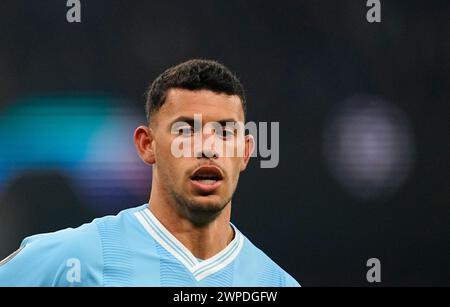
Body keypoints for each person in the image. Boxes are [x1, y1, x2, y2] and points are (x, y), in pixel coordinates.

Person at [0, 59, 300, 286]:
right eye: (186, 130)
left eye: (225, 132)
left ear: (245, 152)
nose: (208, 148)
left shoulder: (275, 283)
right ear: (147, 145)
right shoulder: (78, 255)